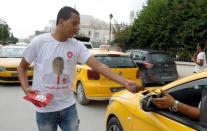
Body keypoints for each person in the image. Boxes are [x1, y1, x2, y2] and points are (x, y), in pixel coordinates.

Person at [17, 6, 142, 131]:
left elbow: (99, 66)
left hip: (68, 107)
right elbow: (22, 67)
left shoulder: (77, 46)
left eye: (78, 24)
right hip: (44, 109)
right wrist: (26, 88)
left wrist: (125, 82)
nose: (77, 28)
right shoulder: (39, 42)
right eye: (74, 23)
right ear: (61, 22)